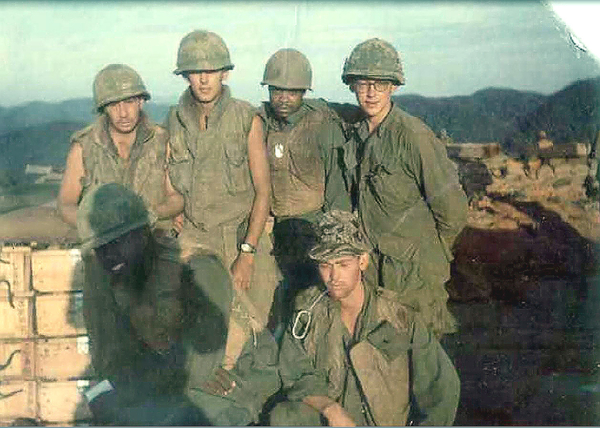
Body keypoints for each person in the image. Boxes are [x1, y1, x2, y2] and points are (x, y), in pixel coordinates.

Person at [77, 183, 281, 426]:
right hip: (167, 379)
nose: (108, 256)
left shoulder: (196, 265)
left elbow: (199, 367)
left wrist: (144, 373)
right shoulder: (111, 276)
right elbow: (108, 361)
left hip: (239, 375)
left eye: (115, 244)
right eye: (100, 249)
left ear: (142, 234)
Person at [270, 210, 460, 426]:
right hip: (335, 422)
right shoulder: (307, 312)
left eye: (343, 264)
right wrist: (330, 409)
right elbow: (295, 373)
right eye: (325, 265)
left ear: (362, 261)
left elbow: (441, 389)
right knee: (286, 415)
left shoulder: (399, 315)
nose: (333, 277)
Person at [340, 38, 468, 336]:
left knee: (420, 362)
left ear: (394, 87)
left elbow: (453, 211)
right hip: (374, 269)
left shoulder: (413, 136)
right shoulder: (357, 134)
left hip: (414, 276)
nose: (371, 93)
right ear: (352, 86)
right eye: (363, 84)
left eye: (380, 84)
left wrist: (428, 255)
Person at [166, 30, 278, 368]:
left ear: (224, 73)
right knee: (200, 339)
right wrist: (173, 210)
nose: (203, 80)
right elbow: (166, 177)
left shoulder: (246, 119)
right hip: (195, 240)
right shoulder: (174, 120)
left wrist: (247, 252)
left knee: (254, 334)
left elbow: (263, 191)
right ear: (185, 76)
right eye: (196, 72)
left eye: (211, 71)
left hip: (241, 237)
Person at [257, 48, 351, 333]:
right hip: (274, 229)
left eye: (292, 91)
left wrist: (334, 239)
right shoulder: (260, 123)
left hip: (314, 227)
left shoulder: (322, 125)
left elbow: (337, 186)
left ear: (304, 92)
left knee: (315, 303)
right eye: (277, 90)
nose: (283, 98)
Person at [57, 64, 183, 235]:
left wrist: (149, 214)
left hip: (154, 239)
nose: (123, 113)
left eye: (129, 102)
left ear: (141, 102)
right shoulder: (84, 147)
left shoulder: (161, 141)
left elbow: (176, 197)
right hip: (104, 244)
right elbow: (66, 204)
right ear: (103, 108)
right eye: (114, 105)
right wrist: (93, 224)